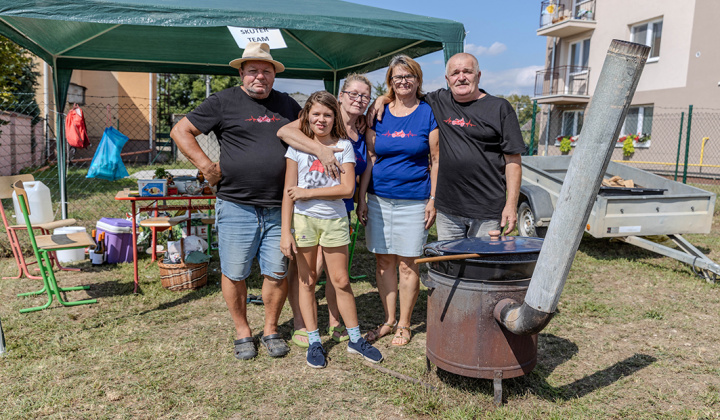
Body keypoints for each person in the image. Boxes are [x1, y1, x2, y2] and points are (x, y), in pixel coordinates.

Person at [170, 42, 341, 361]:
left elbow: (315, 129)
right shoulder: (223, 101)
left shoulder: (287, 105)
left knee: (276, 273)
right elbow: (181, 131)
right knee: (235, 273)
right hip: (236, 205)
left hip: (280, 207)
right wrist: (206, 167)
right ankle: (242, 331)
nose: (259, 76)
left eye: (266, 70)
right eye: (253, 70)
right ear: (241, 73)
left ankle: (272, 329)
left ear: (274, 75)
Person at [370, 52, 524, 240]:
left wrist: (511, 204)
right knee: (449, 265)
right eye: (455, 73)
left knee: (483, 265)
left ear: (478, 75)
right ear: (447, 79)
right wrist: (381, 99)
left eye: (467, 72)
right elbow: (406, 95)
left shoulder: (500, 108)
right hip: (447, 210)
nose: (461, 78)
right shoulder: (437, 101)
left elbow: (513, 160)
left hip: (487, 210)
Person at [280, 91, 383, 368]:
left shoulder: (344, 146)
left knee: (341, 281)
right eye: (316, 114)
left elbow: (347, 189)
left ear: (334, 116)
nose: (321, 119)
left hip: (335, 221)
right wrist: (285, 231)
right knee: (307, 281)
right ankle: (314, 341)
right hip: (303, 222)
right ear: (307, 116)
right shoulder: (297, 148)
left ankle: (355, 338)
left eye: (327, 114)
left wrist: (308, 193)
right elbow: (288, 193)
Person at [356, 55, 439, 347]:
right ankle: (389, 320)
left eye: (408, 76)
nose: (402, 82)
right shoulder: (378, 113)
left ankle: (405, 323)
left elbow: (436, 159)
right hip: (378, 198)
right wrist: (362, 197)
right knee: (383, 260)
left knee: (408, 263)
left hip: (415, 200)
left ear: (417, 79)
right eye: (396, 77)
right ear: (390, 81)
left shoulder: (428, 112)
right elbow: (370, 158)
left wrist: (432, 199)